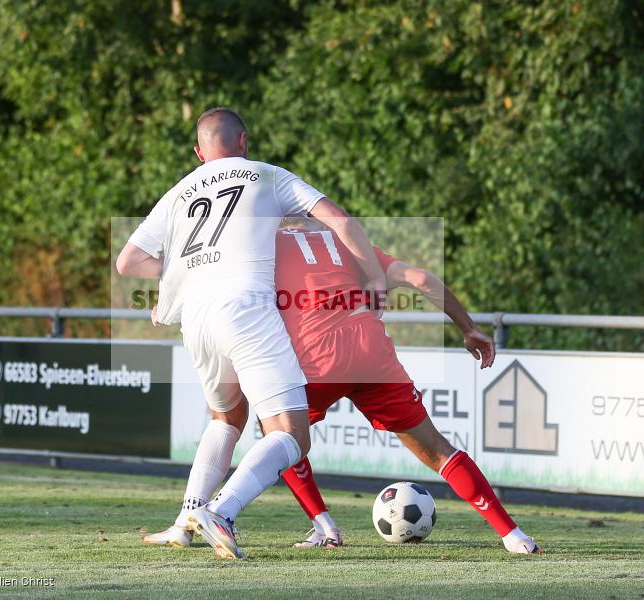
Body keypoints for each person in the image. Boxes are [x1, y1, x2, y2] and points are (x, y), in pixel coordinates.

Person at [144, 219, 542, 555]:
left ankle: (313, 524)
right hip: (371, 352)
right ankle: (513, 535)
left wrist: (168, 303)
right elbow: (419, 278)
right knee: (437, 449)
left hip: (316, 357)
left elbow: (209, 279)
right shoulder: (344, 241)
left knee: (280, 435)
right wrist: (468, 328)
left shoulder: (258, 243)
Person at [117, 108, 386, 559]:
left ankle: (185, 521)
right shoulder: (266, 174)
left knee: (227, 417)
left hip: (196, 318)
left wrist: (180, 281)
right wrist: (374, 277)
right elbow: (339, 220)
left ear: (199, 152)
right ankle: (221, 513)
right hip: (246, 309)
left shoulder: (180, 191)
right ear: (243, 141)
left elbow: (127, 262)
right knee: (293, 434)